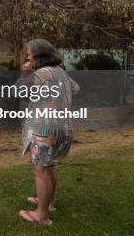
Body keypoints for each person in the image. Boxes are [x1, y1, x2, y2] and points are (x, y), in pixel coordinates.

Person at [18, 39, 79, 225]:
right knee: (49, 166)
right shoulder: (60, 72)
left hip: (43, 132)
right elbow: (76, 89)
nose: (27, 56)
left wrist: (26, 72)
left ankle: (41, 215)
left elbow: (17, 91)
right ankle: (48, 203)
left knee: (41, 170)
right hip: (63, 129)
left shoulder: (41, 73)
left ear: (38, 55)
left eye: (29, 53)